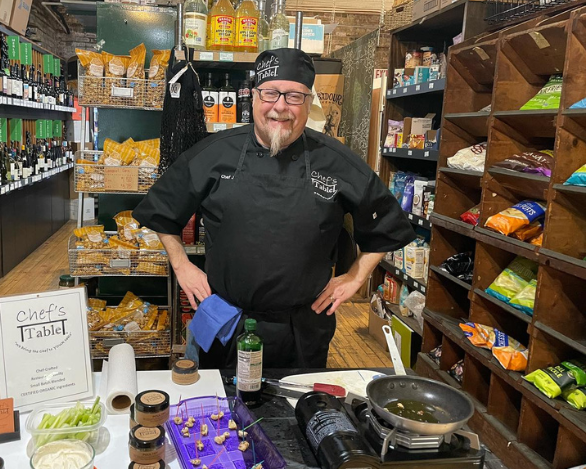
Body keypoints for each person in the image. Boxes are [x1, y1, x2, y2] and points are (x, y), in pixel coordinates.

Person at [133, 48, 415, 369]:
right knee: (220, 400)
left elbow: (387, 224)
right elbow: (162, 209)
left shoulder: (336, 161)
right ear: (254, 97)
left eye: (294, 96)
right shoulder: (213, 153)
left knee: (297, 400)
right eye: (270, 93)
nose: (280, 106)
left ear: (309, 102)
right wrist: (182, 265)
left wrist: (355, 277)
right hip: (227, 321)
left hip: (302, 329)